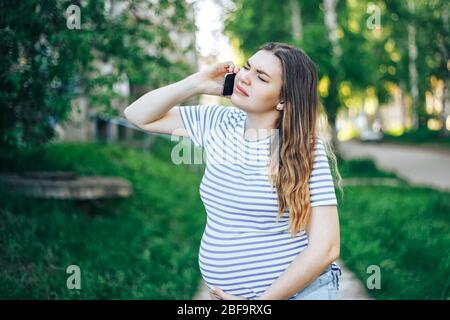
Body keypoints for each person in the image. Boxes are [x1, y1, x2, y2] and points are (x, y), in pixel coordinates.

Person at [124, 41, 343, 300]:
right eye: (247, 67)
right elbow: (137, 115)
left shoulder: (305, 148)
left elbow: (326, 247)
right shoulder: (217, 122)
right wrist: (196, 83)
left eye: (261, 77)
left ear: (284, 99)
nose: (246, 78)